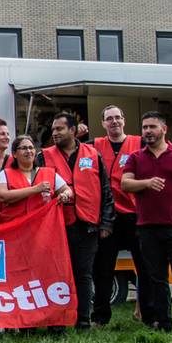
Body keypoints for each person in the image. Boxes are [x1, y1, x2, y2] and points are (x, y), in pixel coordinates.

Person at [121, 111, 172, 332]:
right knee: (157, 279)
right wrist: (147, 183)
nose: (148, 131)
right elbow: (125, 184)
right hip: (148, 228)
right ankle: (164, 323)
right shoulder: (136, 157)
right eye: (145, 127)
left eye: (152, 127)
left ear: (164, 129)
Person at [39, 112, 114, 329]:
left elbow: (106, 190)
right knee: (57, 273)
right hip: (57, 226)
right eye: (53, 130)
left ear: (72, 130)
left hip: (87, 224)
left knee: (84, 274)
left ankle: (83, 319)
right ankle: (57, 320)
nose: (55, 133)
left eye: (59, 129)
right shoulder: (43, 156)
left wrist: (106, 222)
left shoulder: (93, 154)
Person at [91, 105, 146, 326]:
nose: (114, 122)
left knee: (145, 267)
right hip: (107, 217)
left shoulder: (139, 142)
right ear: (103, 123)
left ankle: (145, 312)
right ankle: (101, 317)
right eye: (109, 119)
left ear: (124, 120)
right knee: (102, 269)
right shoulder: (93, 146)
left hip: (135, 215)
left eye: (117, 117)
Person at [0, 135, 73, 224]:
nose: (28, 151)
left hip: (42, 228)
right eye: (24, 148)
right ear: (14, 154)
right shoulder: (5, 173)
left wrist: (65, 195)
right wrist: (35, 189)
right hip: (15, 229)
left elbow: (67, 190)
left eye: (31, 148)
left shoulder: (49, 173)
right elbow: (2, 195)